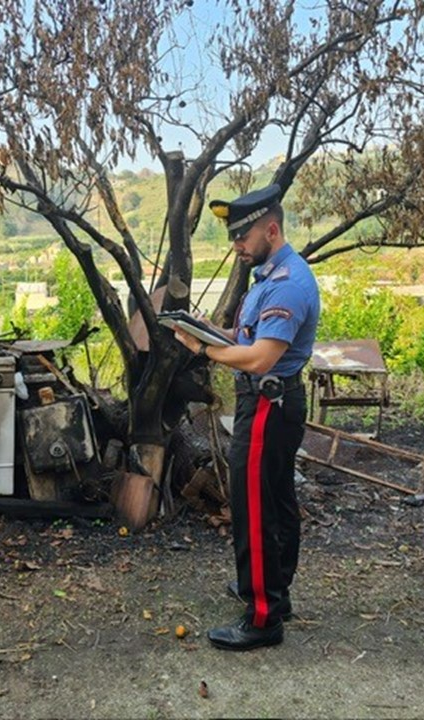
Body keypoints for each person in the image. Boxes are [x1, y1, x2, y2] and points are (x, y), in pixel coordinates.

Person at [173, 184, 320, 650]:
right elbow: (244, 335)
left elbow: (258, 358)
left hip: (267, 404)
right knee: (274, 501)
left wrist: (201, 348)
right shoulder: (268, 278)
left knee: (253, 508)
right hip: (270, 404)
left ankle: (262, 618)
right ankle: (275, 594)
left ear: (270, 229)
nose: (235, 245)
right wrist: (204, 329)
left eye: (242, 236)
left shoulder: (288, 284)